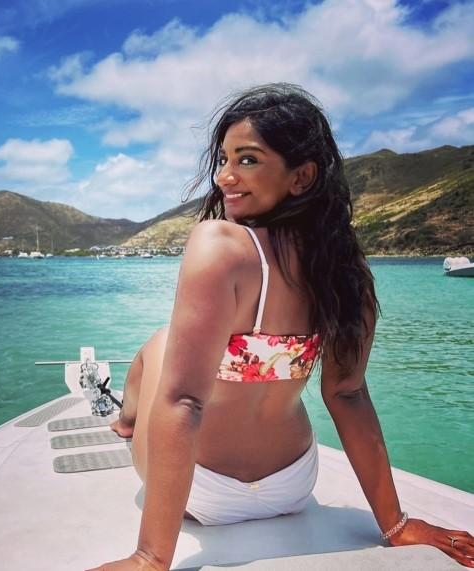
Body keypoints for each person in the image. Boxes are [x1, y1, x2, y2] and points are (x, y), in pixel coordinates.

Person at [89, 84, 474, 570]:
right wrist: (395, 524)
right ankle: (127, 419)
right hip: (293, 485)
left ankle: (124, 421)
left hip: (203, 490)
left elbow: (184, 402)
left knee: (161, 345)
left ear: (301, 176)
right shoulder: (343, 268)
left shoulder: (220, 244)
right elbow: (348, 394)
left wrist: (150, 557)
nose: (225, 176)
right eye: (223, 159)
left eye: (247, 160)